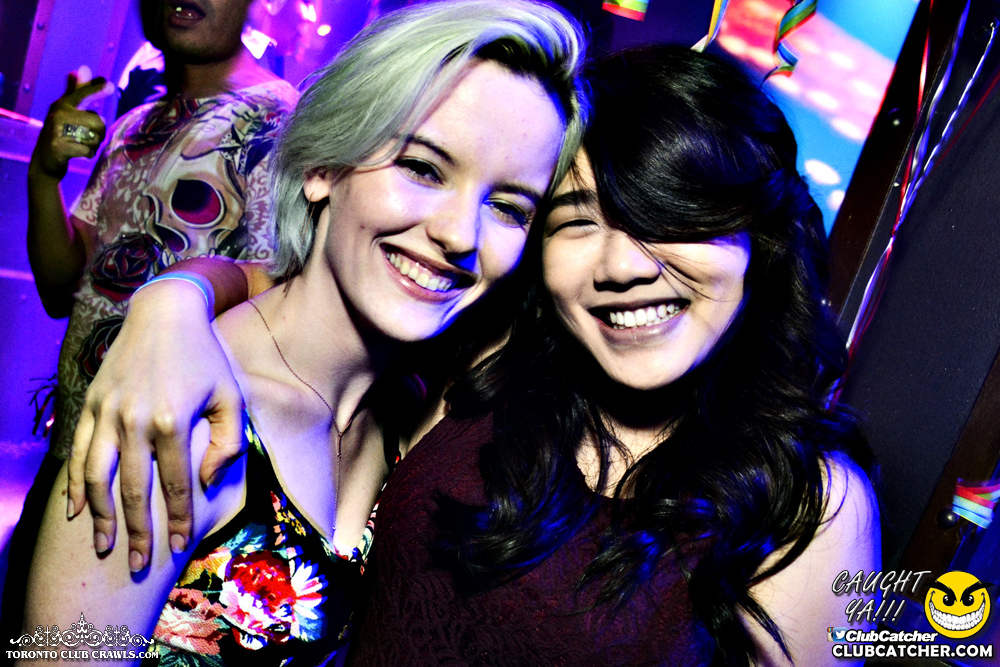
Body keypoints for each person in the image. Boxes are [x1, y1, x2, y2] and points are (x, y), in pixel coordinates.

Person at [62, 47, 877, 665]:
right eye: (577, 219)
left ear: (760, 242)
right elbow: (322, 275)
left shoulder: (811, 503)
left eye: (675, 220)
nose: (622, 265)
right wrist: (171, 303)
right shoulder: (494, 355)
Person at [21, 1, 586, 664]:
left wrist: (180, 291)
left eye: (509, 206)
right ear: (323, 167)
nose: (461, 233)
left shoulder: (415, 415)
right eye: (423, 168)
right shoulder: (179, 417)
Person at [5, 0, 299, 638]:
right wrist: (44, 176)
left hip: (166, 482)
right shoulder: (132, 125)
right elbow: (61, 289)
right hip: (70, 456)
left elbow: (278, 302)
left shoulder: (284, 126)